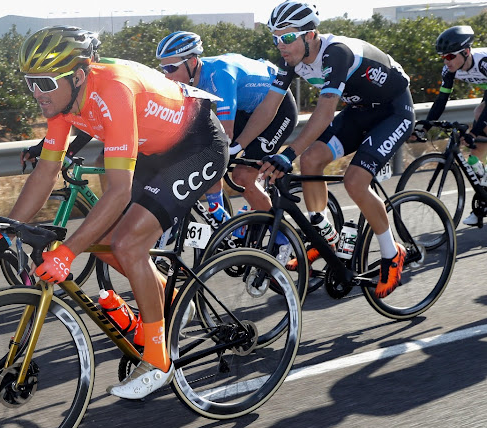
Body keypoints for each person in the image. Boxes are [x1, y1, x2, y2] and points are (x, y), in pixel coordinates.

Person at [0, 26, 229, 399]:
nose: (36, 93)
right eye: (30, 83)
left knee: (127, 244)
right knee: (108, 243)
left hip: (198, 144)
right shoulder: (61, 105)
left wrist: (67, 253)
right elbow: (46, 172)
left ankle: (159, 360)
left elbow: (118, 191)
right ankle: (171, 302)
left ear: (78, 76)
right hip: (154, 151)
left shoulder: (114, 88)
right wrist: (8, 227)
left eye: (45, 82)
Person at [257, 1, 413, 298]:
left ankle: (392, 253)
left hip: (394, 111)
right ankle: (324, 237)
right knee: (312, 159)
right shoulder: (291, 58)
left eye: (287, 37)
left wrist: (288, 154)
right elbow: (268, 106)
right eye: (276, 38)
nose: (281, 45)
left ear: (310, 35)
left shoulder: (336, 53)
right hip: (359, 110)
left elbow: (326, 112)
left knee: (355, 181)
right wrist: (235, 146)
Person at [156, 31, 297, 263]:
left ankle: (284, 238)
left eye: (171, 68)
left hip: (277, 109)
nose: (166, 75)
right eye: (163, 69)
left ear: (192, 62)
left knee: (242, 175)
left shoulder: (220, 75)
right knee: (206, 153)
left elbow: (225, 133)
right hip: (247, 109)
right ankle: (220, 216)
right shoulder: (189, 80)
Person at [415, 25, 487, 226]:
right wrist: (426, 125)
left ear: (466, 52)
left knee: (479, 115)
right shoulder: (450, 70)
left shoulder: (483, 62)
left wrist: (476, 130)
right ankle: (483, 202)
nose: (446, 61)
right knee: (475, 156)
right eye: (443, 57)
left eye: (449, 57)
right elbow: (441, 99)